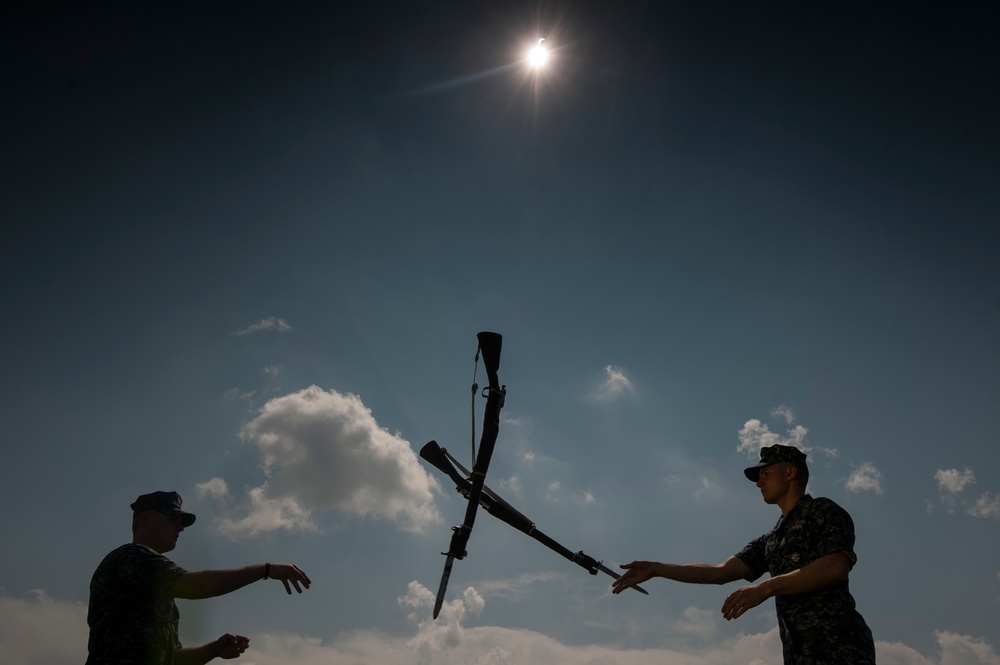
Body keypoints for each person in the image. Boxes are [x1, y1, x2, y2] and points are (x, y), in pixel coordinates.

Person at [612, 444, 876, 664]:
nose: (759, 482)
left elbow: (834, 567)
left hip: (841, 648)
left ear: (790, 473)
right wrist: (657, 569)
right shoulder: (771, 539)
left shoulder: (822, 511)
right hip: (800, 655)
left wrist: (764, 588)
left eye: (766, 473)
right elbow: (721, 572)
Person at [86, 490, 312, 665]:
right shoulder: (131, 557)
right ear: (146, 520)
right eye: (172, 520)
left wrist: (214, 649)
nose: (180, 528)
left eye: (181, 523)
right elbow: (197, 586)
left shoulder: (148, 576)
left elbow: (172, 659)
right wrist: (265, 569)